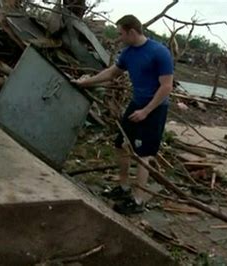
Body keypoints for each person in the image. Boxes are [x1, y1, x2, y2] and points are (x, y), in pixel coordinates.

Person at [75, 14, 174, 215]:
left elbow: (166, 87)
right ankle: (123, 187)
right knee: (120, 144)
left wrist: (146, 111)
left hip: (154, 109)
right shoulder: (128, 53)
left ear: (131, 31)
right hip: (136, 104)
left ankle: (138, 201)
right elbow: (112, 73)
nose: (119, 37)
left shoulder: (159, 52)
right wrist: (85, 82)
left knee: (143, 155)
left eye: (121, 33)